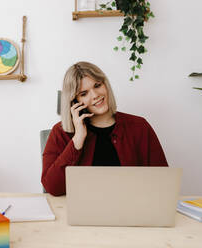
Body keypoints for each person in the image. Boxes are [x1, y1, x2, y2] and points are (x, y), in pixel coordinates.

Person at [41, 61, 168, 196]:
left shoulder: (139, 126)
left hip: (131, 211)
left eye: (97, 85)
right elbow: (53, 188)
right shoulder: (60, 132)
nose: (95, 95)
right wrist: (77, 140)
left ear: (105, 85)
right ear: (74, 101)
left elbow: (163, 180)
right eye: (84, 93)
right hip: (83, 213)